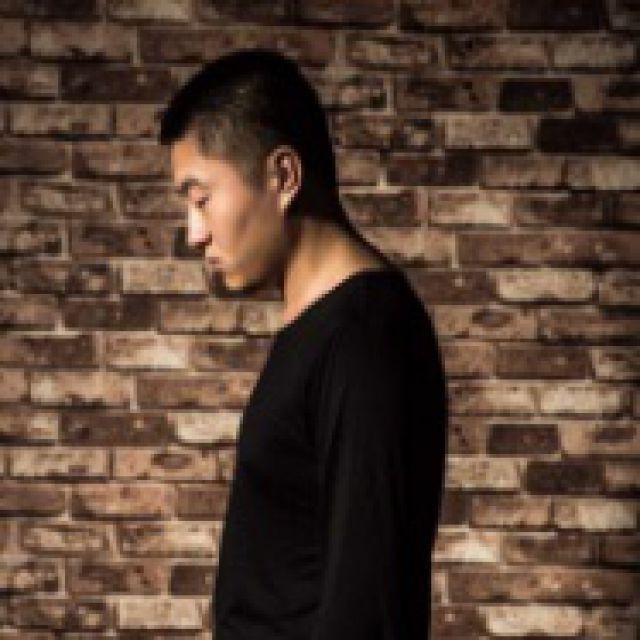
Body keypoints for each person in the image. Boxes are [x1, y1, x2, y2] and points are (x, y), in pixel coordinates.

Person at [159, 47, 448, 640]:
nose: (194, 233)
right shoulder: (321, 328)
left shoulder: (364, 339)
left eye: (201, 197)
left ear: (283, 176)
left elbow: (368, 613)